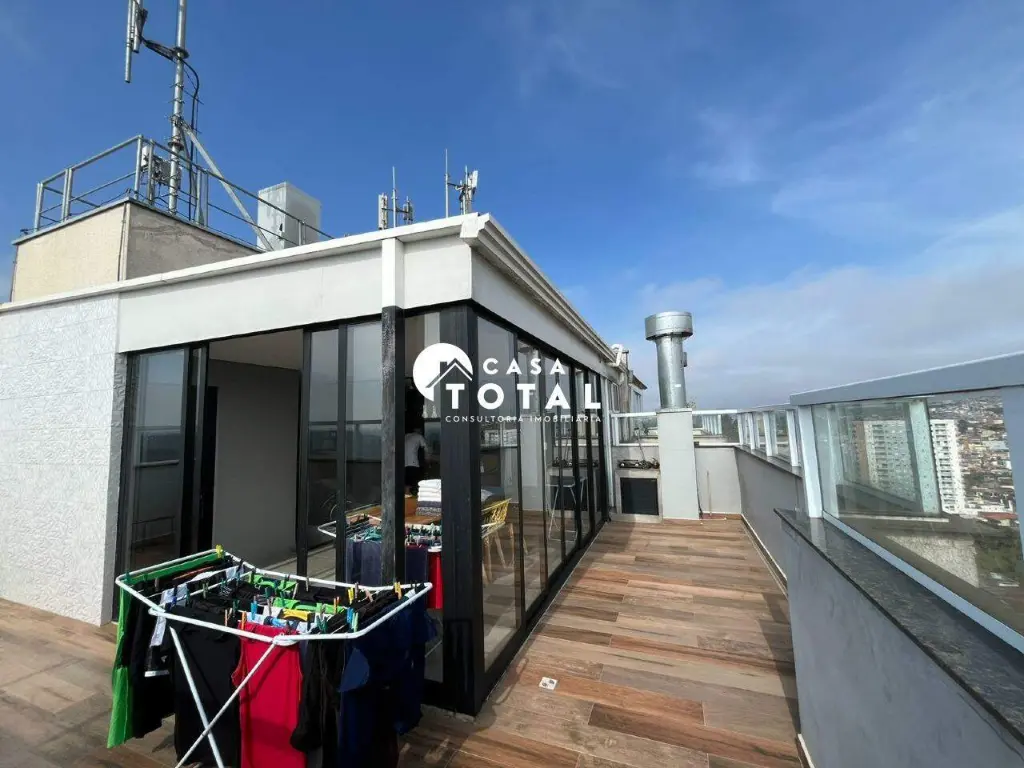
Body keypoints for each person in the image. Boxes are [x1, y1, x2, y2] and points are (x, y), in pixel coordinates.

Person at [404, 427, 430, 496]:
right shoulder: (419, 436)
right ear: (419, 431)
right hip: (412, 462)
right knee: (412, 478)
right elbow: (426, 448)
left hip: (403, 462)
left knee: (407, 478)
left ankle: (407, 494)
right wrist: (427, 459)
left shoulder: (406, 436)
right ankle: (408, 494)